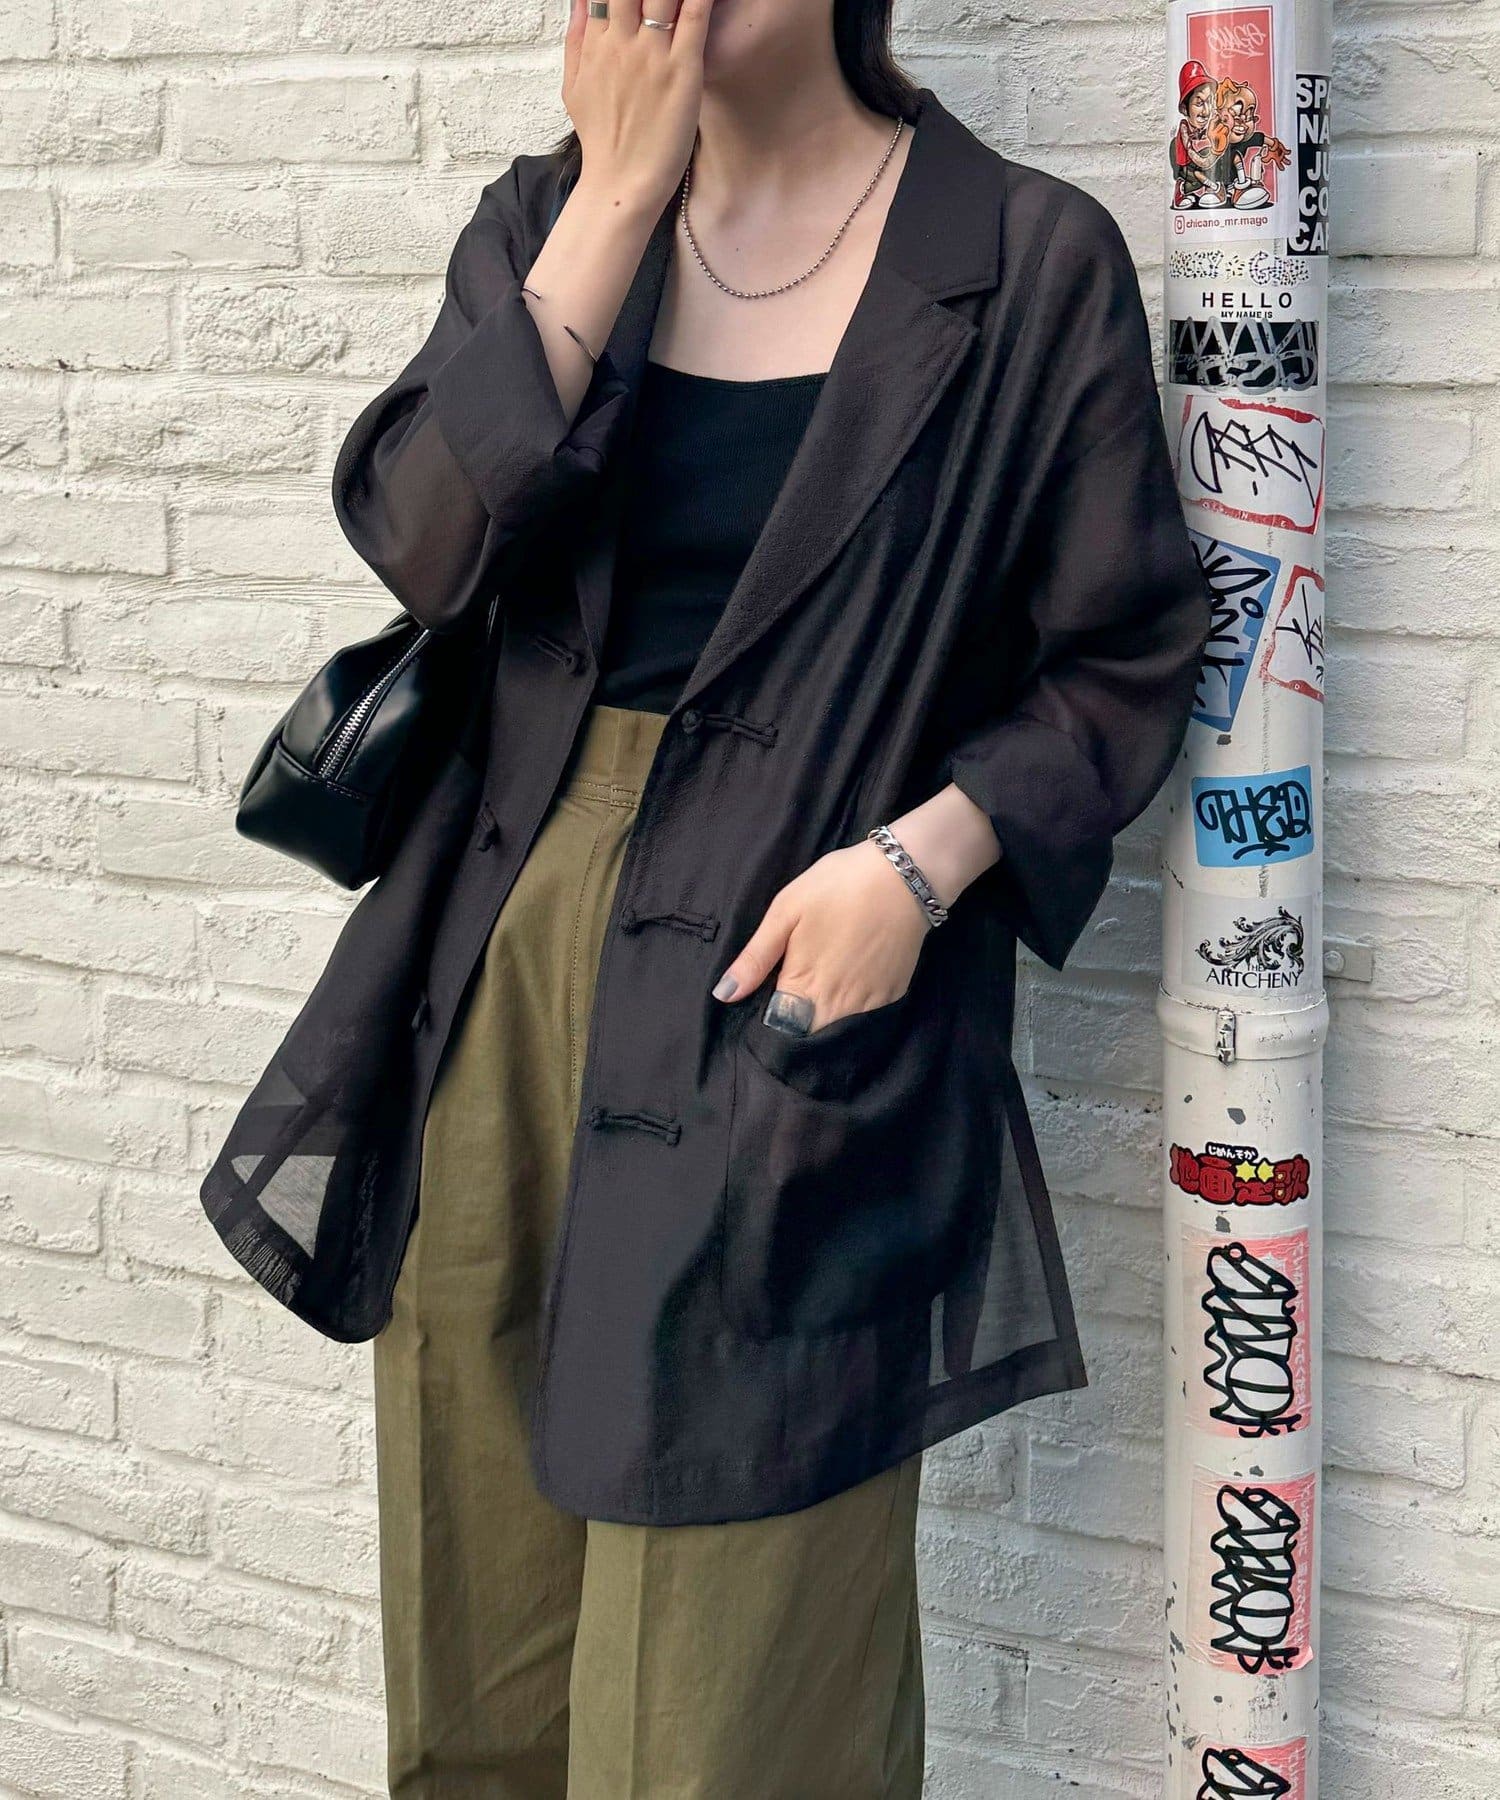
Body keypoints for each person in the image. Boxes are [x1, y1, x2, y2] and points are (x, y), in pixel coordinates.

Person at [197, 0, 1212, 1790]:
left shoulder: (1022, 257)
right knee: (482, 1652)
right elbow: (426, 542)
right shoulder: (547, 219)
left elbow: (1122, 651)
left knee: (735, 1697)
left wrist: (922, 865)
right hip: (497, 967)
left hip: (791, 979)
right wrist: (615, 199)